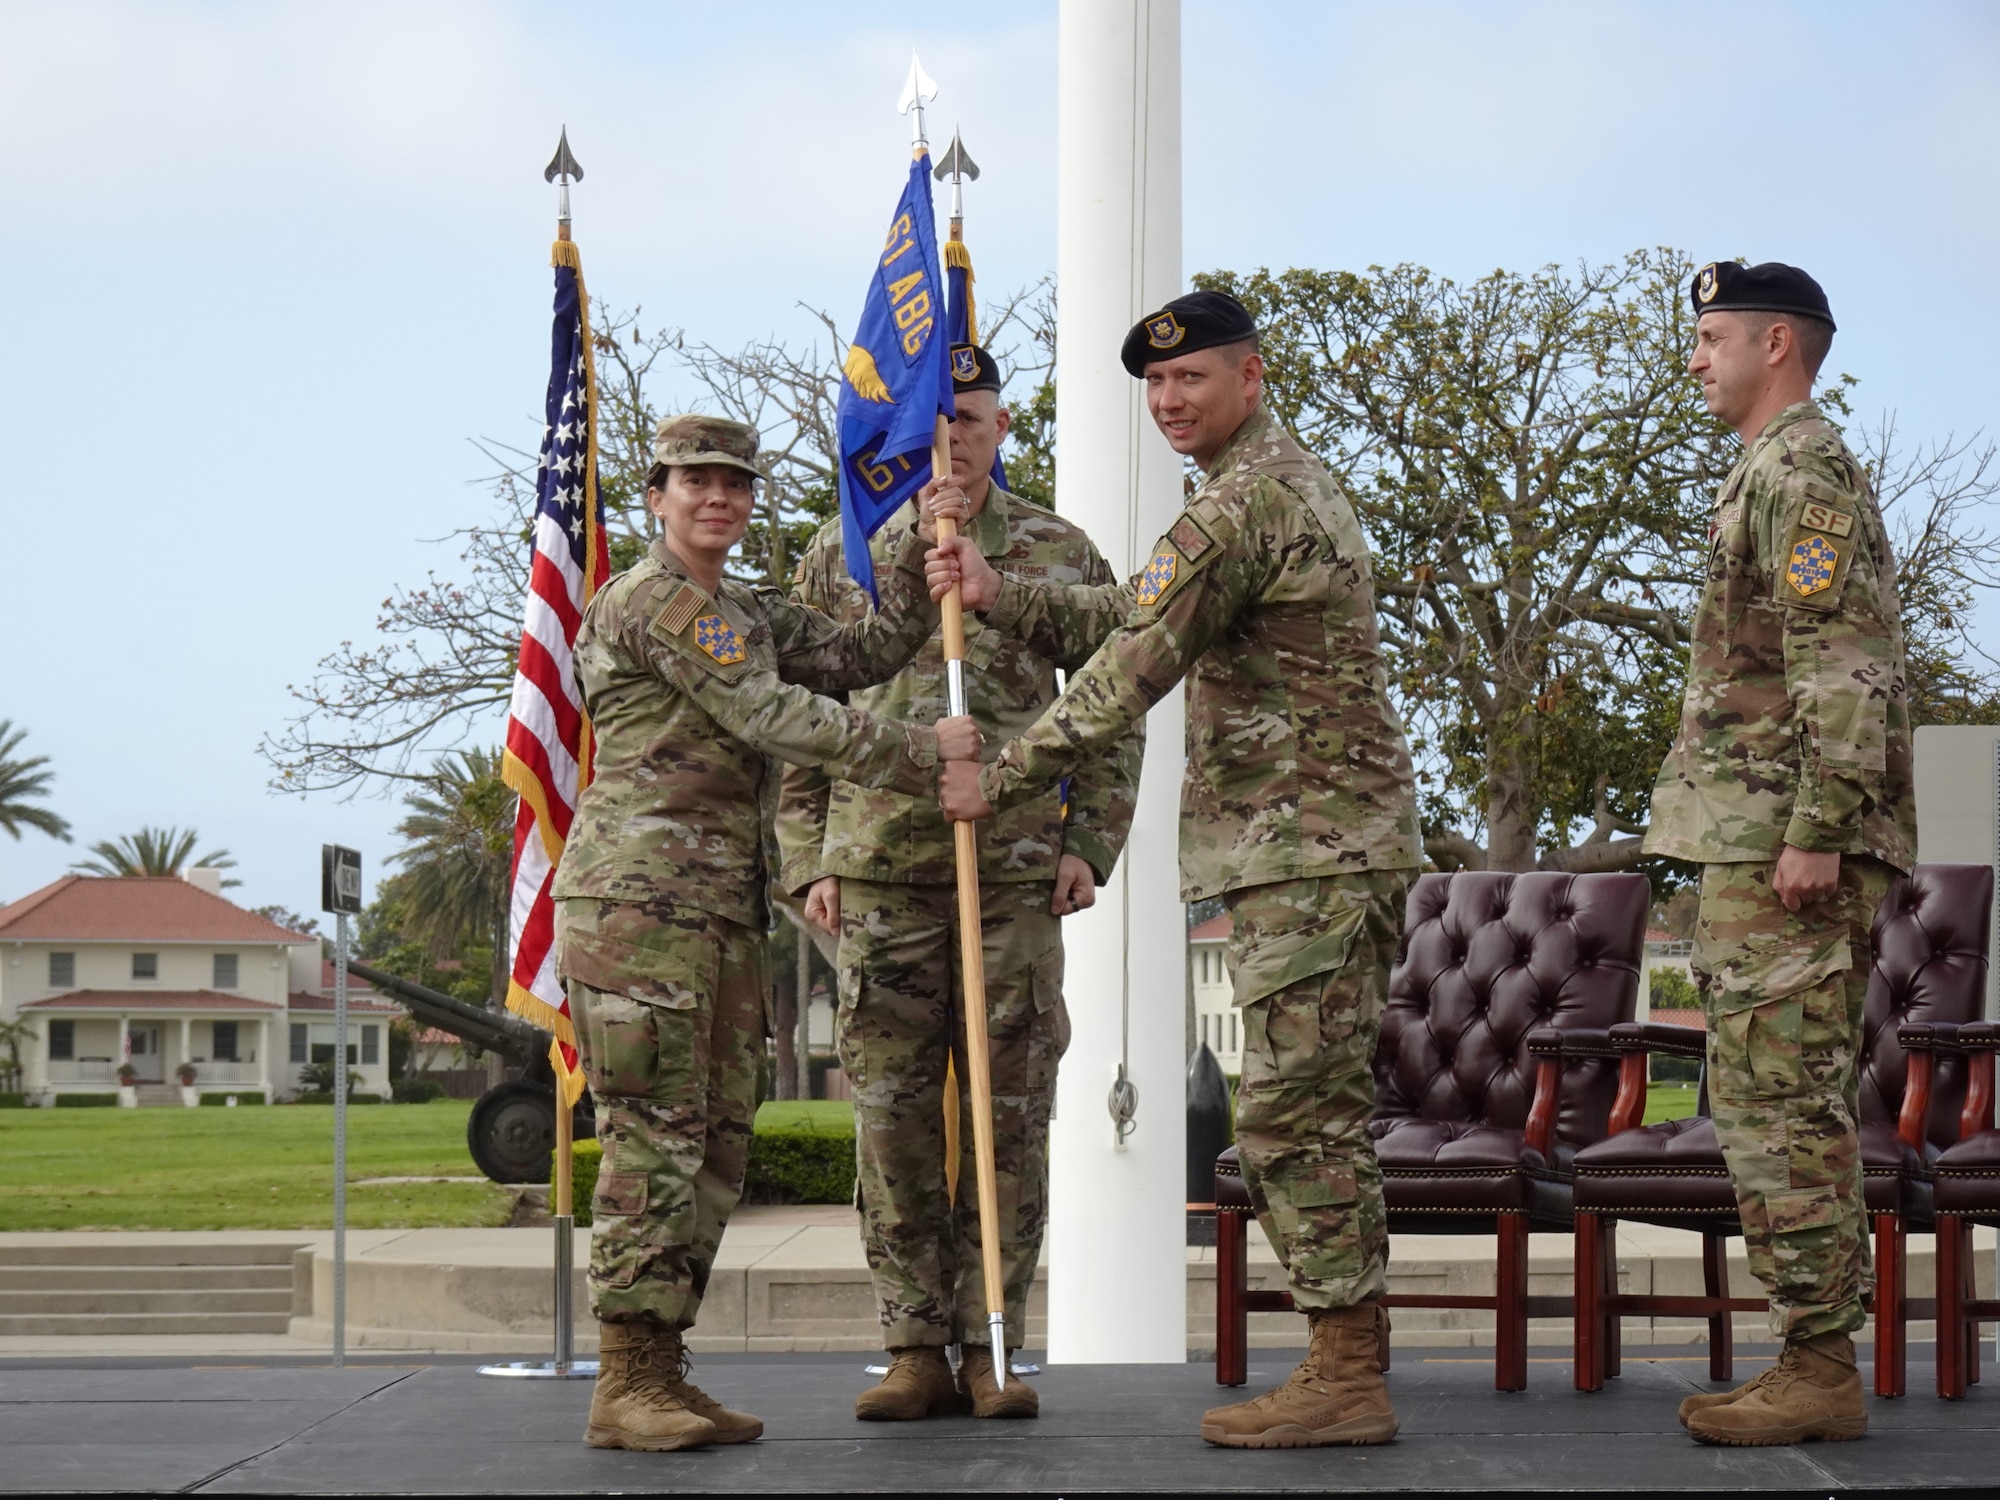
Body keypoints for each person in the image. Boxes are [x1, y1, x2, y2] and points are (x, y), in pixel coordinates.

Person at [926, 290, 1420, 1448]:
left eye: (1188, 379)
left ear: (1248, 378)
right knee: (1306, 1110)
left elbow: (1127, 670)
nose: (1165, 403)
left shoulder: (1243, 504)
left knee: (1300, 1118)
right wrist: (1003, 597)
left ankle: (1347, 1374)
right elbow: (1130, 611)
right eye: (1152, 386)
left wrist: (996, 781)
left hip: (1308, 849)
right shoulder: (1264, 489)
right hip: (1308, 848)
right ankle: (1343, 1364)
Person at [552, 414, 980, 1452]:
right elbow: (772, 715)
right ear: (655, 496)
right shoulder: (651, 602)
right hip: (634, 906)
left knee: (714, 1143)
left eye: (735, 486)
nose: (718, 500)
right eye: (695, 483)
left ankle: (661, 1366)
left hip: (715, 908)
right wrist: (926, 753)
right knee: (651, 1138)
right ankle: (624, 1378)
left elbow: (852, 653)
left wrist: (929, 559)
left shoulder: (742, 605)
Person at [776, 344, 1143, 1422]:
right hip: (881, 871)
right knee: (890, 1119)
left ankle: (992, 1344)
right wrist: (809, 858)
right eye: (935, 426)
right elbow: (796, 717)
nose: (953, 442)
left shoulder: (1055, 551)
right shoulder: (843, 552)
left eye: (971, 421)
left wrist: (1089, 841)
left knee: (1007, 1117)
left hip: (1016, 867)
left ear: (1001, 427)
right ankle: (911, 1347)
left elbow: (1116, 698)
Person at [1644, 262, 1913, 1446]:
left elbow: (1844, 663)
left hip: (1783, 846)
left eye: (1710, 338)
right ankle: (1803, 1358)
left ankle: (1817, 1369)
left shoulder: (1799, 470)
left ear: (1777, 347)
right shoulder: (1762, 469)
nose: (1694, 358)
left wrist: (1816, 826)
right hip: (1747, 839)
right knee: (1758, 1101)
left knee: (1785, 1107)